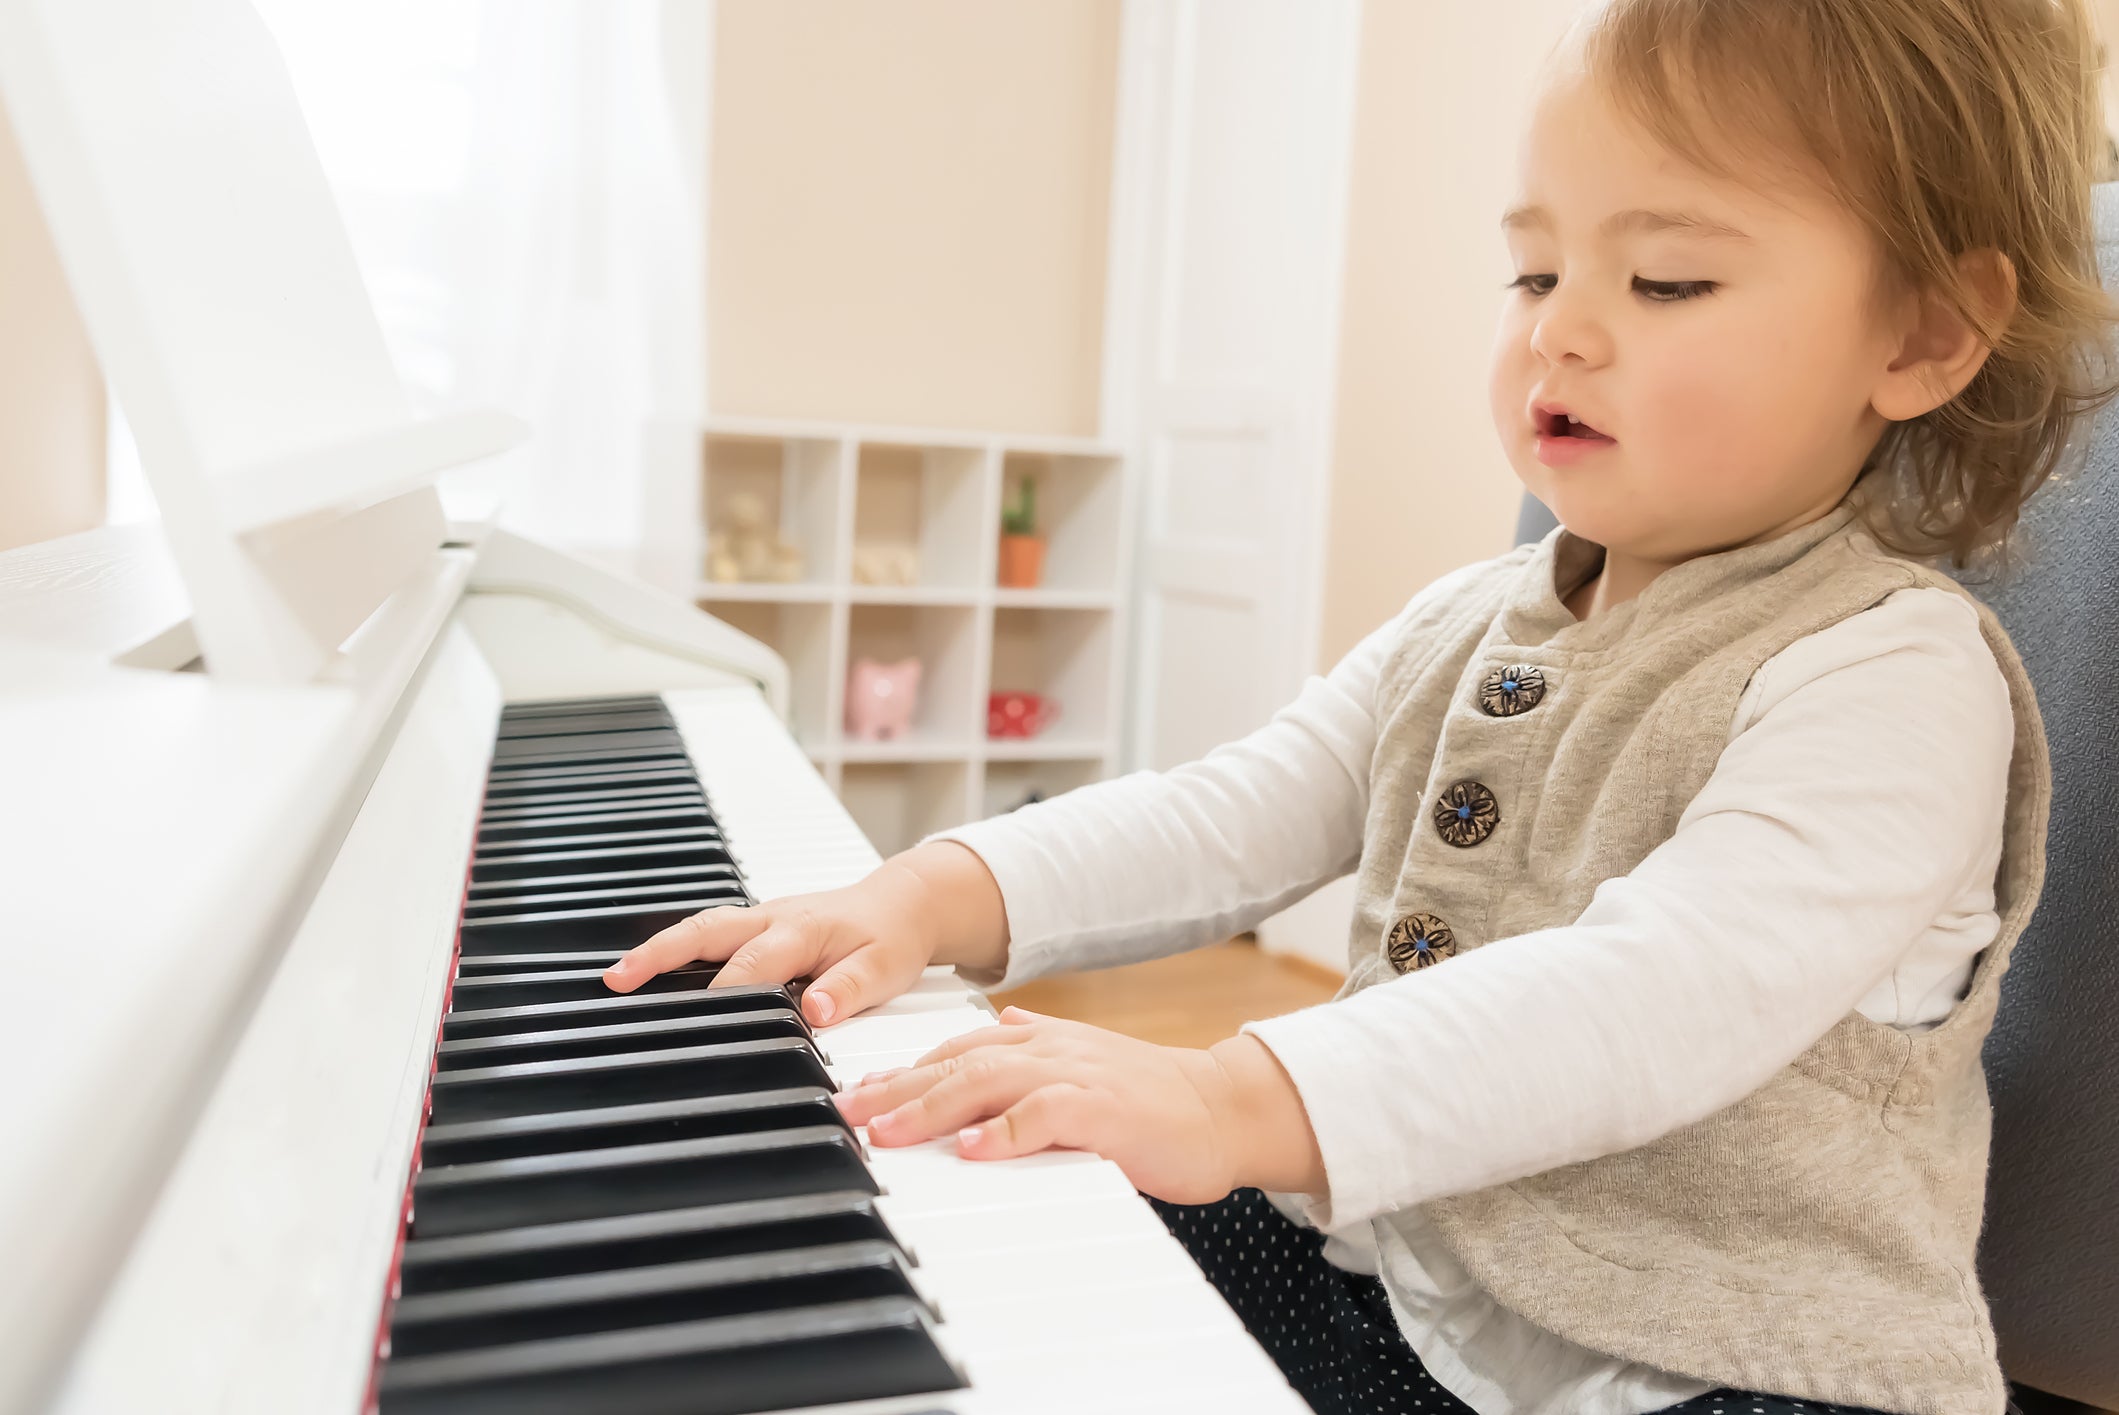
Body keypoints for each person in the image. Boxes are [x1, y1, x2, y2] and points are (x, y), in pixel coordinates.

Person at [607, 1, 2119, 1409]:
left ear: (1921, 336)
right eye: (1535, 272)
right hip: (1407, 1290)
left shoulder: (1892, 674)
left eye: (1667, 280)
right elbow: (1233, 811)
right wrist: (936, 894)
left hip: (1724, 1362)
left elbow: (1663, 995)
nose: (1560, 332)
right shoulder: (1464, 621)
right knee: (1015, 1207)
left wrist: (1226, 1092)